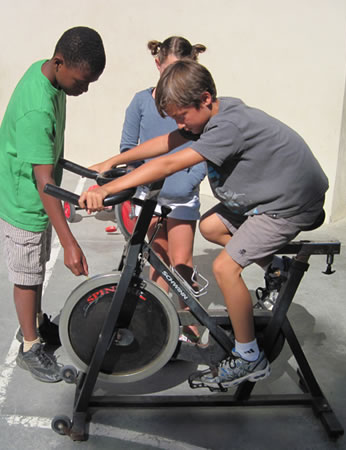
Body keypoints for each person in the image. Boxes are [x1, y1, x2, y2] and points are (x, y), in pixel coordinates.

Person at [80, 60, 329, 389]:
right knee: (211, 227)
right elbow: (169, 142)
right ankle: (276, 268)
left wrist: (107, 189)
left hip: (289, 206)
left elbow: (169, 162)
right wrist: (114, 161)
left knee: (225, 268)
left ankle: (249, 356)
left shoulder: (227, 127)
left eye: (182, 116)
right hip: (273, 196)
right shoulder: (211, 115)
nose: (181, 124)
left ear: (206, 98)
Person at [0, 26, 106, 383]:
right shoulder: (38, 108)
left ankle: (36, 322)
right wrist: (70, 243)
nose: (84, 90)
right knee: (26, 275)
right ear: (59, 63)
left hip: (35, 189)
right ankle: (29, 345)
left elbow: (47, 166)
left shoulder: (50, 75)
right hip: (21, 198)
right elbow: (44, 183)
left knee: (36, 266)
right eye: (81, 82)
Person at [120, 36, 207, 343]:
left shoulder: (195, 106)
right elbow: (129, 148)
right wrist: (139, 185)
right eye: (168, 69)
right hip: (150, 197)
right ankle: (158, 328)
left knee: (182, 263)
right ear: (157, 64)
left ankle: (191, 329)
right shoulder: (141, 102)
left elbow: (206, 150)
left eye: (181, 69)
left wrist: (187, 182)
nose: (173, 77)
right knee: (158, 261)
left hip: (182, 198)